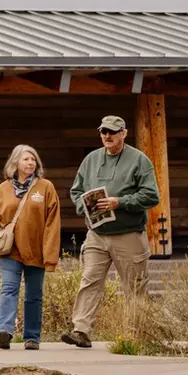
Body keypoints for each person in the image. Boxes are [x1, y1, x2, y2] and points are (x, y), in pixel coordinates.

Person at [62, 115, 160, 347]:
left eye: (112, 132)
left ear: (124, 134)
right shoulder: (91, 160)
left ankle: (136, 335)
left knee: (134, 285)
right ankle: (81, 330)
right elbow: (76, 191)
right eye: (103, 132)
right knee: (89, 280)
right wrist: (83, 207)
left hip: (129, 234)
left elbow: (151, 195)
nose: (107, 136)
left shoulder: (140, 160)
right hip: (96, 233)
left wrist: (120, 202)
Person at [0, 144, 62, 350]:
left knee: (34, 295)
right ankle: (4, 331)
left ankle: (32, 337)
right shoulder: (3, 189)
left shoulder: (46, 187)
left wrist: (50, 256)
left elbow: (53, 224)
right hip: (10, 251)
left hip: (36, 251)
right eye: (26, 159)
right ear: (15, 163)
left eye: (33, 159)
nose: (30, 163)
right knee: (8, 289)